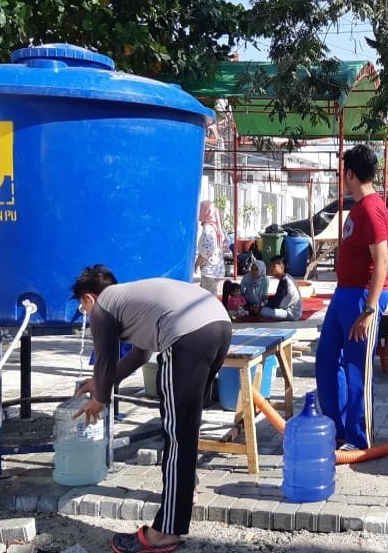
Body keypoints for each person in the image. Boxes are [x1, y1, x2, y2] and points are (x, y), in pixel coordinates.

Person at [70, 265, 230, 553]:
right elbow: (139, 354)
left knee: (176, 431)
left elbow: (104, 360)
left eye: (83, 305)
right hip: (218, 324)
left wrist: (99, 399)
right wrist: (101, 383)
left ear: (90, 298)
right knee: (186, 425)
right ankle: (186, 489)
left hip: (186, 334)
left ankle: (165, 532)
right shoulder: (129, 301)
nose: (85, 311)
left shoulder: (102, 308)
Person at [314, 144, 388, 451]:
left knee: (358, 368)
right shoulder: (357, 207)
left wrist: (369, 309)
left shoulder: (372, 209)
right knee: (327, 360)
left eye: (342, 173)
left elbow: (382, 262)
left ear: (349, 174)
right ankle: (338, 430)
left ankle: (360, 439)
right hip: (344, 295)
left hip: (362, 298)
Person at [260, 255, 303, 321]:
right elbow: (279, 297)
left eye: (274, 266)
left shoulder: (285, 282)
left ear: (282, 267)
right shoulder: (287, 277)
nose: (271, 268)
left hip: (292, 313)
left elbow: (276, 303)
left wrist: (259, 308)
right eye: (271, 266)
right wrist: (269, 298)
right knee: (265, 301)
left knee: (263, 311)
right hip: (288, 308)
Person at [196, 200, 225, 296]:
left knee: (207, 299)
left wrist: (197, 263)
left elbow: (208, 249)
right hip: (215, 270)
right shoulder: (215, 227)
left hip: (209, 271)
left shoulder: (208, 228)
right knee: (209, 296)